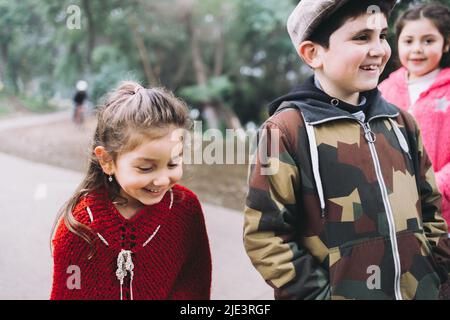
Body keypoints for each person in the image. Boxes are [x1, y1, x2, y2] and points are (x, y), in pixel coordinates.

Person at [243, 0, 450, 300]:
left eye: (381, 35)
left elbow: (431, 208)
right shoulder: (284, 131)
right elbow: (266, 236)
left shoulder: (402, 123)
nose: (379, 49)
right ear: (313, 53)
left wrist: (434, 272)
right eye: (361, 37)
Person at [50, 81, 212, 300]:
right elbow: (67, 294)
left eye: (173, 164)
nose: (163, 179)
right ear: (107, 160)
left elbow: (195, 284)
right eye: (146, 168)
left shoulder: (186, 210)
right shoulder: (78, 228)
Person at [379, 3, 450, 230]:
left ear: (446, 43)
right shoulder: (383, 90)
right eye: (408, 41)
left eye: (428, 41)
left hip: (443, 213)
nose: (417, 49)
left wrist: (433, 187)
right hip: (394, 211)